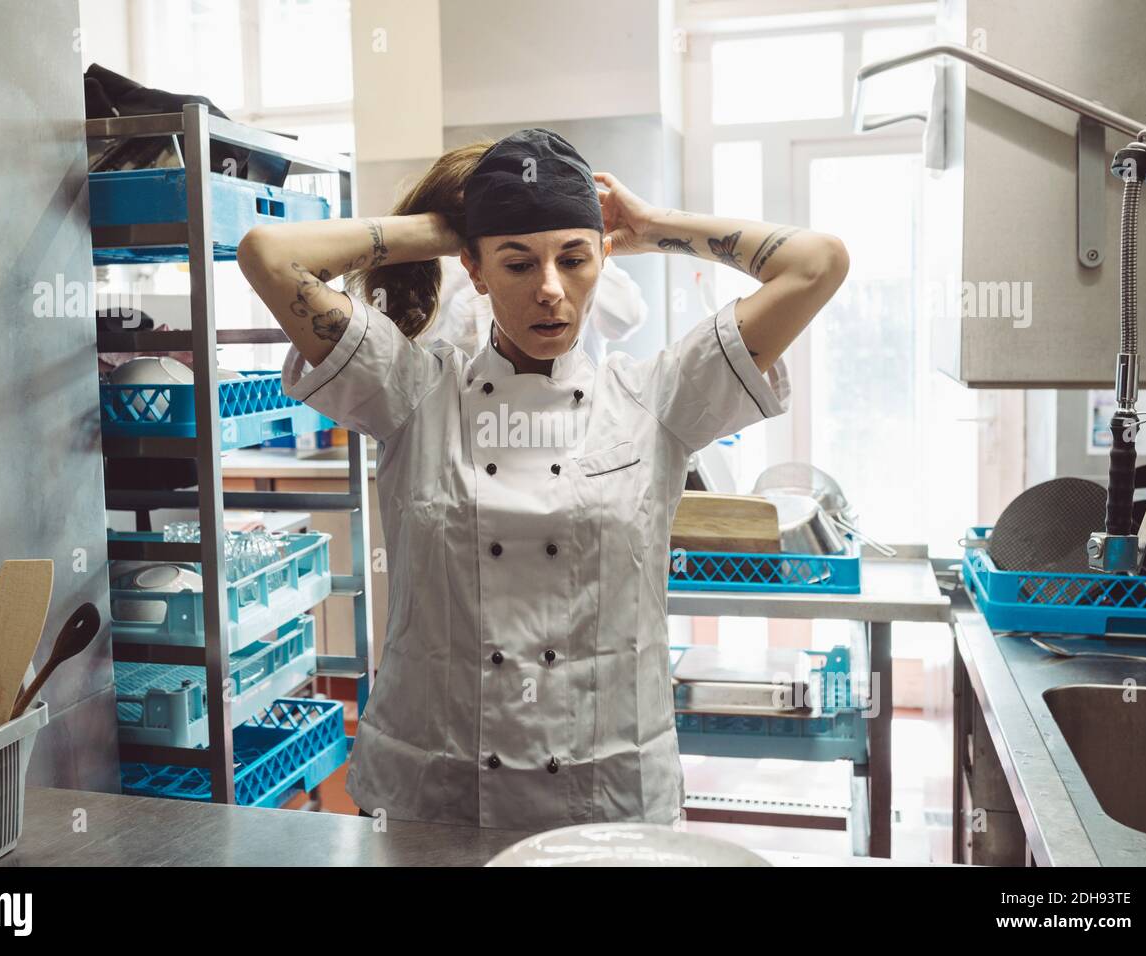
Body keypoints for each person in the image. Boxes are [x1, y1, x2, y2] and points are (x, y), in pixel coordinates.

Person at [237, 128, 848, 830]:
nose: (550, 291)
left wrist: (652, 226)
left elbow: (817, 262)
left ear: (602, 256)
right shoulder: (410, 393)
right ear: (475, 269)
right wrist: (442, 230)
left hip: (608, 793)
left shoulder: (659, 398)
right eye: (518, 263)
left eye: (574, 258)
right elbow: (269, 254)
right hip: (434, 794)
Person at [419, 250, 648, 363]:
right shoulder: (474, 288)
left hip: (581, 436)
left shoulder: (582, 259)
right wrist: (467, 249)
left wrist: (584, 241)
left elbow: (626, 317)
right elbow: (427, 333)